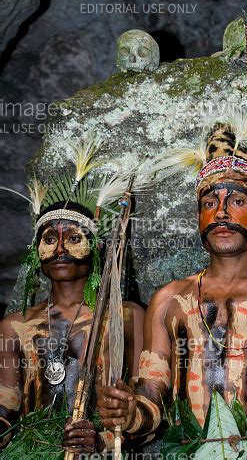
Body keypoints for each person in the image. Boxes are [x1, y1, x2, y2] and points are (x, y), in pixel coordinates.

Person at [97, 120, 247, 443]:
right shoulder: (169, 301)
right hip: (188, 449)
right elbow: (150, 396)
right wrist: (128, 416)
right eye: (210, 203)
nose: (221, 213)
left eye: (237, 201)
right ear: (198, 216)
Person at [0, 168, 145, 455]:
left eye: (74, 239)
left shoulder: (126, 317)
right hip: (33, 447)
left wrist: (105, 440)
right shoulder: (15, 327)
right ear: (35, 252)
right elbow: (7, 403)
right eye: (50, 239)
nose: (60, 250)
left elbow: (145, 400)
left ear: (96, 247)